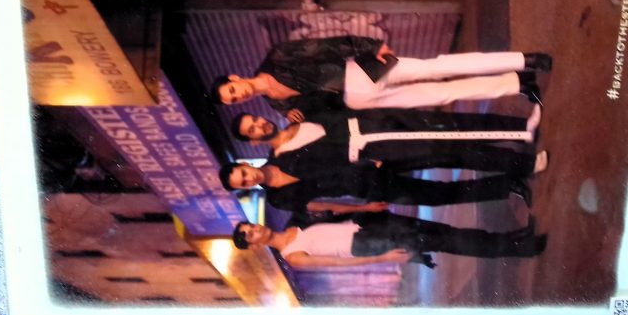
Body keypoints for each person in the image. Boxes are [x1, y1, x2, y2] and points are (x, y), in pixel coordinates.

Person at [210, 36, 551, 118]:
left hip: (359, 70)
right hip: (359, 100)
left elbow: (325, 45)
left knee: (438, 67)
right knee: (441, 95)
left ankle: (524, 60)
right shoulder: (276, 106)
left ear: (236, 77)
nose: (239, 95)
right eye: (234, 100)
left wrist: (370, 46)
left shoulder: (277, 56)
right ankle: (518, 84)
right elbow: (321, 111)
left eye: (233, 90)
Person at [231, 109, 549, 179]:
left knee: (449, 124)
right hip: (376, 149)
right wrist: (368, 164)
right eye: (253, 129)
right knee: (451, 150)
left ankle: (521, 127)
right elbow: (329, 171)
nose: (260, 124)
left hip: (373, 123)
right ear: (254, 142)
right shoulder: (286, 161)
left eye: (255, 119)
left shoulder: (296, 117)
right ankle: (525, 164)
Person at [231, 213, 547, 269]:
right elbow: (337, 264)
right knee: (445, 241)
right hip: (368, 246)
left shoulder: (293, 226)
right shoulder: (292, 255)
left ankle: (513, 238)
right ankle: (521, 249)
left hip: (368, 228)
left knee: (444, 233)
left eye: (250, 226)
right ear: (255, 246)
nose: (255, 229)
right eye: (250, 234)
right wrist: (382, 259)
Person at [219, 159, 533, 213]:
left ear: (244, 165)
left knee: (441, 155)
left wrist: (366, 156)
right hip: (366, 189)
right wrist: (363, 207)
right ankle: (509, 185)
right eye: (243, 183)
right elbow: (319, 205)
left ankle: (513, 164)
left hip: (371, 161)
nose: (249, 178)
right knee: (439, 194)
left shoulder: (281, 153)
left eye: (243, 173)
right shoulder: (277, 199)